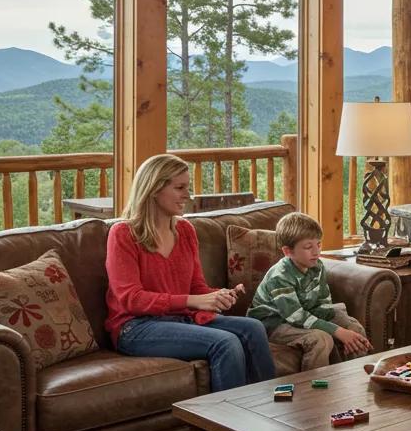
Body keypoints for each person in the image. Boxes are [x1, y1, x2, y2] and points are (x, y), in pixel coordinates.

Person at [105, 154, 275, 392]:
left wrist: (218, 296)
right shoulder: (123, 234)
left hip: (181, 318)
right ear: (154, 189)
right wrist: (195, 300)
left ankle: (269, 410)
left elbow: (196, 288)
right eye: (180, 188)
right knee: (225, 343)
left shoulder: (185, 231)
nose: (188, 195)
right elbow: (131, 299)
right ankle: (227, 427)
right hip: (136, 327)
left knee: (253, 328)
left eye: (188, 187)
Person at [249, 211, 372, 367]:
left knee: (353, 326)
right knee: (321, 339)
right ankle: (314, 388)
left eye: (318, 244)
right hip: (274, 324)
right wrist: (337, 331)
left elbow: (323, 302)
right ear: (288, 251)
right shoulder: (279, 276)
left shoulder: (317, 266)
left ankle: (354, 377)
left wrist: (342, 324)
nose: (316, 252)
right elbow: (296, 316)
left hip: (305, 314)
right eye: (308, 247)